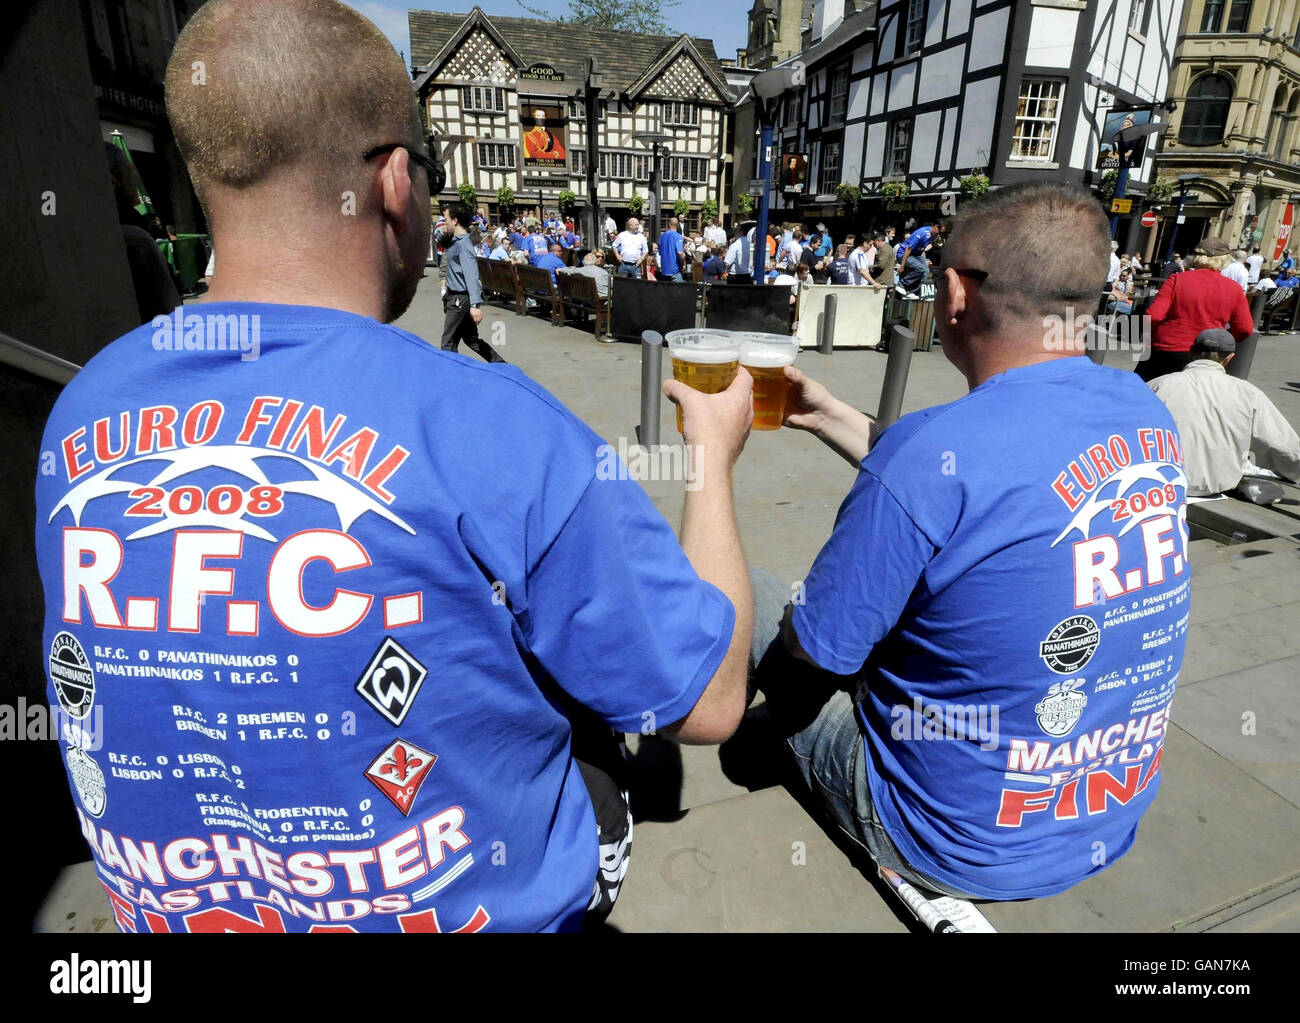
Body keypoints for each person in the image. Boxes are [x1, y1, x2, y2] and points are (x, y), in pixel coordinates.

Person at [37, 0, 756, 934]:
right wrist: (710, 454)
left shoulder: (80, 411)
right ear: (391, 181)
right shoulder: (491, 425)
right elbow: (709, 699)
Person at [750, 181, 1188, 903]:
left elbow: (820, 647)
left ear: (953, 291)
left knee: (764, 599)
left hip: (949, 839)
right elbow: (983, 487)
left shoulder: (930, 455)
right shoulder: (1144, 412)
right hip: (1104, 810)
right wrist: (831, 416)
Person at [1148, 328, 1300, 496]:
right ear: (1229, 358)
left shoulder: (1159, 385)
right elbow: (1282, 445)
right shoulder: (1248, 393)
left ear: (1192, 352)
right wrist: (1294, 472)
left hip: (1160, 480)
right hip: (1215, 485)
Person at [1140, 236, 1254, 382]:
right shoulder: (1234, 289)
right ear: (1224, 260)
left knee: (1146, 394)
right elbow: (1245, 328)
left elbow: (1153, 315)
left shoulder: (1177, 279)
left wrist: (1152, 338)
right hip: (1207, 354)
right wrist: (1224, 339)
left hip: (1167, 348)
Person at [105, 143, 181, 323]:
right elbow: (169, 315)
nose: (135, 178)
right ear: (115, 180)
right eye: (130, 173)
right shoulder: (134, 239)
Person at [440, 203, 504, 362]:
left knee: (448, 343)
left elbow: (471, 274)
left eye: (446, 219)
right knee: (471, 340)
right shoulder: (456, 241)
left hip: (459, 299)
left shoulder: (463, 244)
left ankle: (452, 376)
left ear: (454, 220)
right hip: (455, 297)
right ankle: (500, 365)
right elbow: (439, 239)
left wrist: (475, 305)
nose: (444, 223)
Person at [896, 220, 938, 297]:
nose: (940, 235)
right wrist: (902, 265)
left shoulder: (933, 235)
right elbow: (908, 249)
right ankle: (901, 284)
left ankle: (912, 292)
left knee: (926, 270)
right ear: (936, 227)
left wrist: (933, 244)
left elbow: (924, 249)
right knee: (922, 269)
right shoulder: (922, 233)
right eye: (940, 232)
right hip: (904, 254)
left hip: (915, 256)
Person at [659, 216, 685, 282]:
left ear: (669, 224)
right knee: (680, 291)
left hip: (664, 271)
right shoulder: (678, 236)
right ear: (678, 225)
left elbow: (659, 252)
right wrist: (682, 263)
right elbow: (680, 253)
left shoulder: (662, 236)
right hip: (674, 271)